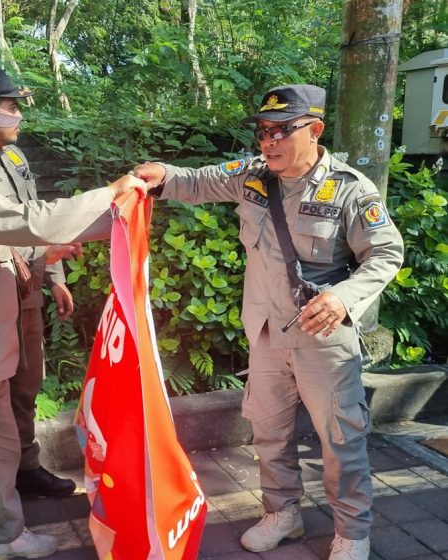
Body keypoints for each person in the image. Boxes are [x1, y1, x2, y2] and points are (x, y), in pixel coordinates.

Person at [134, 84, 404, 560]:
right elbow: (197, 182)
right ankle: (282, 514)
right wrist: (161, 175)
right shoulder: (252, 177)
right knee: (269, 432)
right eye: (262, 131)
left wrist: (343, 297)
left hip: (323, 336)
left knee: (340, 439)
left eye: (282, 130)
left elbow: (385, 253)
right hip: (265, 332)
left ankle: (352, 531)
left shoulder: (350, 188)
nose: (269, 141)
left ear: (315, 130)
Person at [0, 82, 146, 560]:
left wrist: (110, 220)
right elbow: (28, 220)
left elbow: (4, 247)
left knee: (0, 457)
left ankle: (5, 537)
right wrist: (110, 195)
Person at [0, 68, 77, 498]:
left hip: (27, 293)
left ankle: (25, 467)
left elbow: (36, 218)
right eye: (11, 107)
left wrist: (55, 278)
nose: (19, 116)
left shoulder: (14, 158)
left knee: (27, 383)